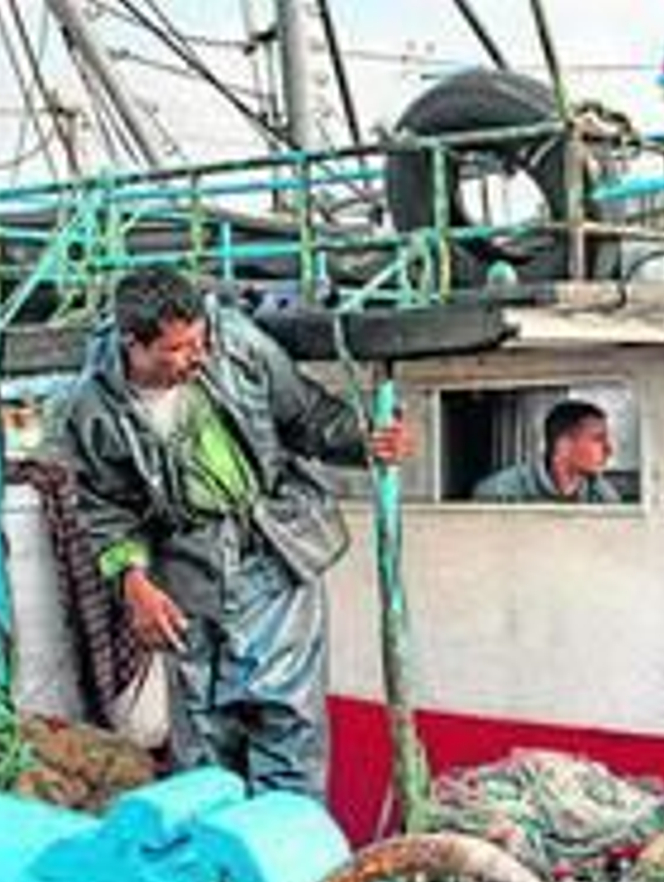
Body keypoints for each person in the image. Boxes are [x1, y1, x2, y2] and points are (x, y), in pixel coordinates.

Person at [58, 267, 412, 798]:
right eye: (176, 350)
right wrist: (135, 584)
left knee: (287, 719)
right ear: (134, 344)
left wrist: (366, 442)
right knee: (203, 730)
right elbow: (105, 507)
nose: (194, 358)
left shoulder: (238, 345)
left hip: (270, 551)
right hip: (185, 567)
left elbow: (307, 415)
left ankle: (291, 871)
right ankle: (214, 867)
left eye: (198, 342)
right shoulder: (91, 408)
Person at [473, 399, 620, 503]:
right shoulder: (498, 493)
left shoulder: (604, 496)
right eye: (598, 439)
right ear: (564, 446)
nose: (609, 450)